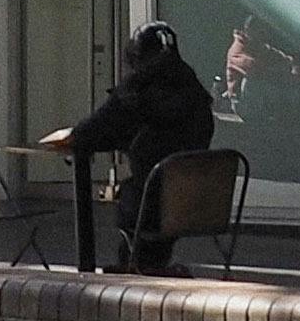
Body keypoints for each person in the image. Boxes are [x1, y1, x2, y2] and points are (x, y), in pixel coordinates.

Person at [43, 22, 217, 276]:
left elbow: (96, 126)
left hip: (154, 202)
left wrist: (75, 137)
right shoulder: (194, 93)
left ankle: (137, 266)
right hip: (196, 200)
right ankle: (148, 265)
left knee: (135, 194)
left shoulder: (139, 91)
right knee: (147, 194)